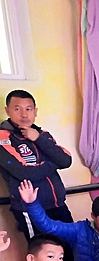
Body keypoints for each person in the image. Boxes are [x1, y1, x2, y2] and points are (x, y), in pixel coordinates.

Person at [0, 90, 72, 240]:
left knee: (71, 246)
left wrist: (38, 138)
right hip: (29, 207)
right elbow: (24, 172)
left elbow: (66, 160)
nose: (24, 114)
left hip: (58, 204)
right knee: (41, 250)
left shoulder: (42, 134)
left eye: (29, 109)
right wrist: (54, 163)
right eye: (17, 109)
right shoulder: (3, 137)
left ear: (35, 111)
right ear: (7, 111)